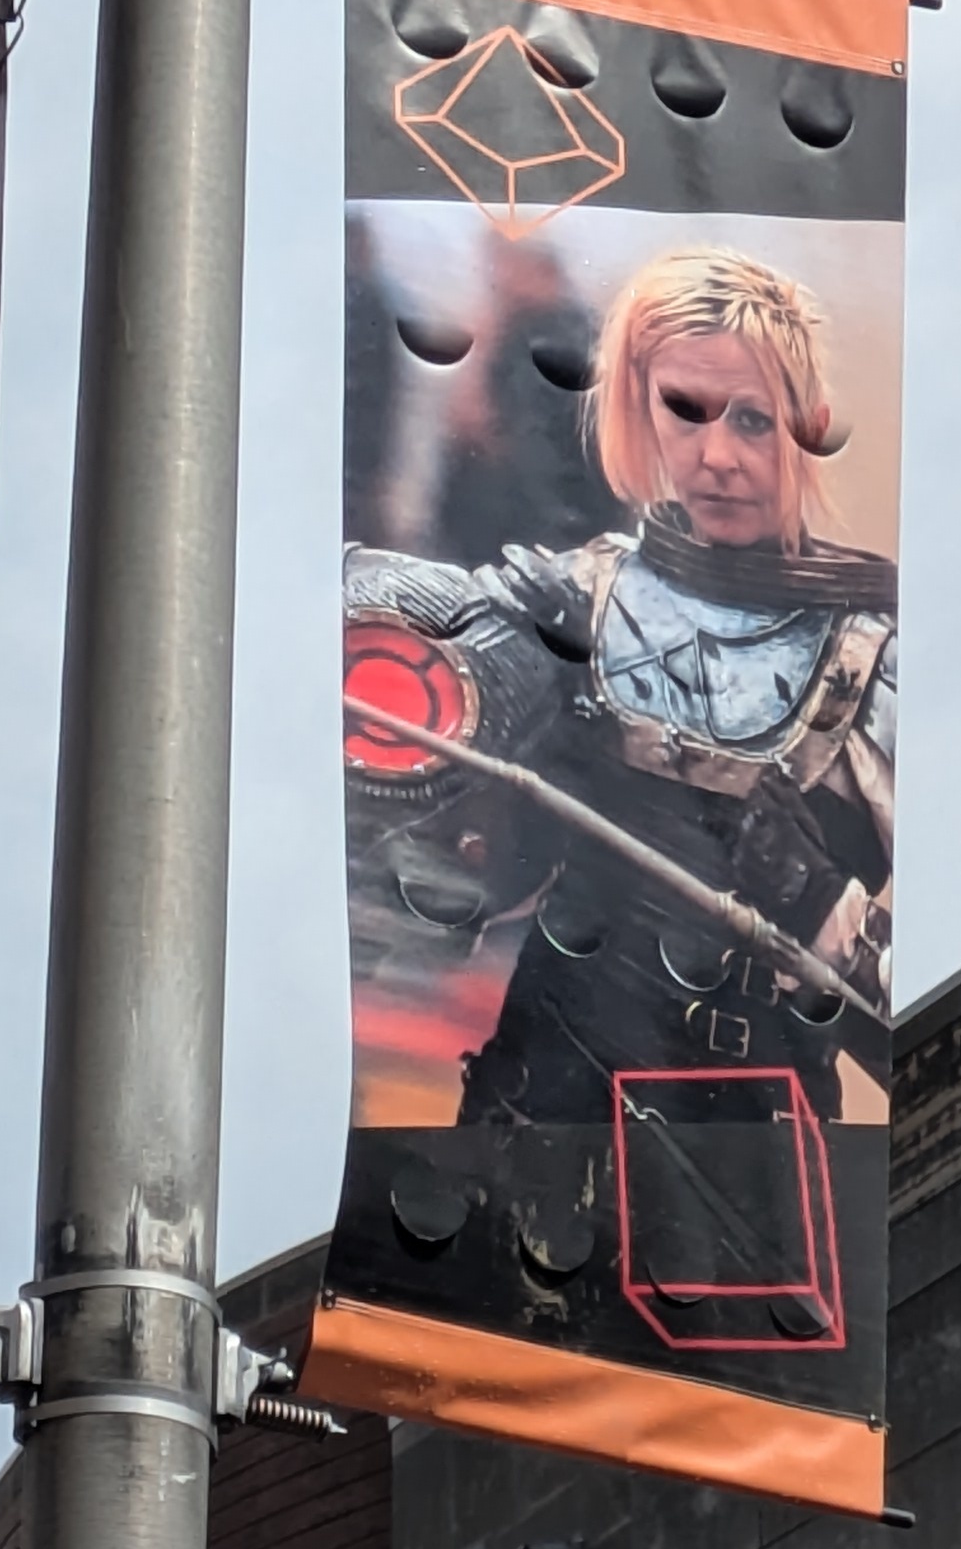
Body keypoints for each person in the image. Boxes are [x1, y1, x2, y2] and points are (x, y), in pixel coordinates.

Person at [343, 241, 897, 1119]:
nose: (718, 455)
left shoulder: (875, 659)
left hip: (755, 1149)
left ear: (808, 423)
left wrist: (814, 897)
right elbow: (418, 857)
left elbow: (949, 1026)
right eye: (687, 413)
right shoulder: (567, 600)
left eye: (751, 420)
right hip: (542, 1111)